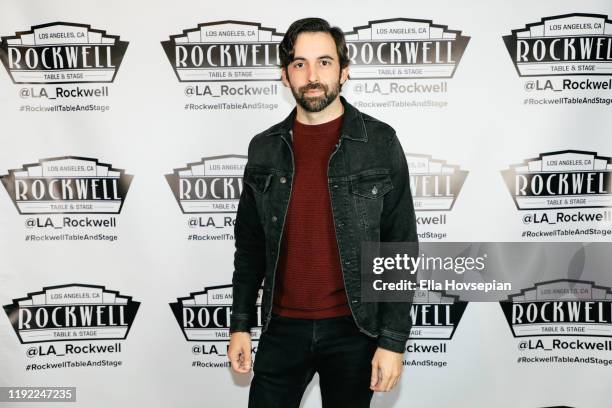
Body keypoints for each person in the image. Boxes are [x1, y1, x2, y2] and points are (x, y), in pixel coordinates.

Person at [228, 17, 418, 408]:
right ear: (285, 76)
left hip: (355, 330)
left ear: (344, 71)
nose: (312, 75)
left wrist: (393, 341)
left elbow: (399, 246)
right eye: (299, 64)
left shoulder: (380, 142)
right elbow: (249, 247)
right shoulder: (263, 149)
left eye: (325, 62)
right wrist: (240, 325)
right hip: (281, 329)